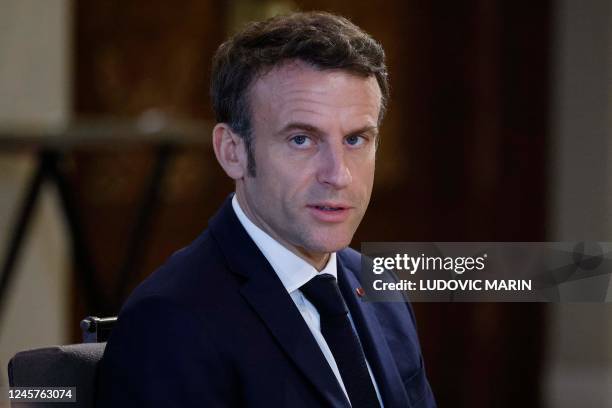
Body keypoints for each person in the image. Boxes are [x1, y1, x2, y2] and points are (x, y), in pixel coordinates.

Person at [96, 11, 436, 408]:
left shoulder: (380, 290)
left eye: (356, 139)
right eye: (301, 140)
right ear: (232, 152)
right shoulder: (170, 321)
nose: (338, 174)